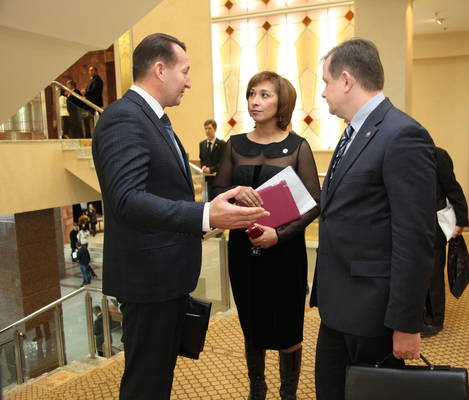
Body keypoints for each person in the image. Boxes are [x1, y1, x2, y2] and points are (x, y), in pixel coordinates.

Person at [91, 33, 268, 400]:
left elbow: (165, 191)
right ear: (160, 69)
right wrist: (205, 214)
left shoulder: (154, 119)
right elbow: (127, 200)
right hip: (148, 281)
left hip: (166, 277)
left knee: (159, 378)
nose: (188, 82)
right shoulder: (123, 118)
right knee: (146, 383)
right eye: (184, 72)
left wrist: (218, 202)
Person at [309, 38, 436, 399]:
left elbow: (414, 238)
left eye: (326, 82)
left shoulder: (402, 135)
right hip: (339, 305)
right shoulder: (353, 131)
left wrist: (406, 323)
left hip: (374, 313)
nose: (323, 92)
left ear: (346, 80)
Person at [212, 71, 320, 400]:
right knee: (252, 321)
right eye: (251, 94)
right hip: (242, 249)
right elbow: (216, 192)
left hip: (285, 251)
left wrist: (280, 235)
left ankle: (288, 394)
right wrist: (235, 191)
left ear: (281, 102)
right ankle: (256, 389)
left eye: (264, 95)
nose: (254, 101)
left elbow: (314, 202)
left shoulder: (298, 147)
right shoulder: (234, 145)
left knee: (288, 326)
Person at [423, 147, 469, 337]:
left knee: (433, 274)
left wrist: (461, 220)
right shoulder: (398, 154)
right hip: (407, 224)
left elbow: (453, 189)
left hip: (433, 225)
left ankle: (435, 319)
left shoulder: (437, 156)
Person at [199, 119, 225, 200]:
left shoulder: (222, 144)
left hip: (218, 179)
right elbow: (202, 159)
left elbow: (223, 162)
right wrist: (203, 166)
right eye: (205, 129)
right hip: (206, 179)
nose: (207, 131)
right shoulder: (202, 144)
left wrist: (211, 169)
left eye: (209, 128)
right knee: (208, 200)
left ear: (215, 129)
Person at [83, 66, 104, 138]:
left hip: (95, 103)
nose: (90, 72)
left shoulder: (97, 80)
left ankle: (98, 136)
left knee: (96, 121)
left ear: (96, 71)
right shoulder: (92, 80)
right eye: (89, 70)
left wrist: (85, 92)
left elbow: (94, 91)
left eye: (92, 70)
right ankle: (89, 135)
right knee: (89, 120)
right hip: (90, 103)